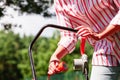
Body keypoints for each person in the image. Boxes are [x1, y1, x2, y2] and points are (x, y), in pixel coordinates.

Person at [48, 0, 120, 80]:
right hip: (103, 48)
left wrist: (100, 34)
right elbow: (68, 35)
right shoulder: (60, 2)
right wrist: (55, 56)